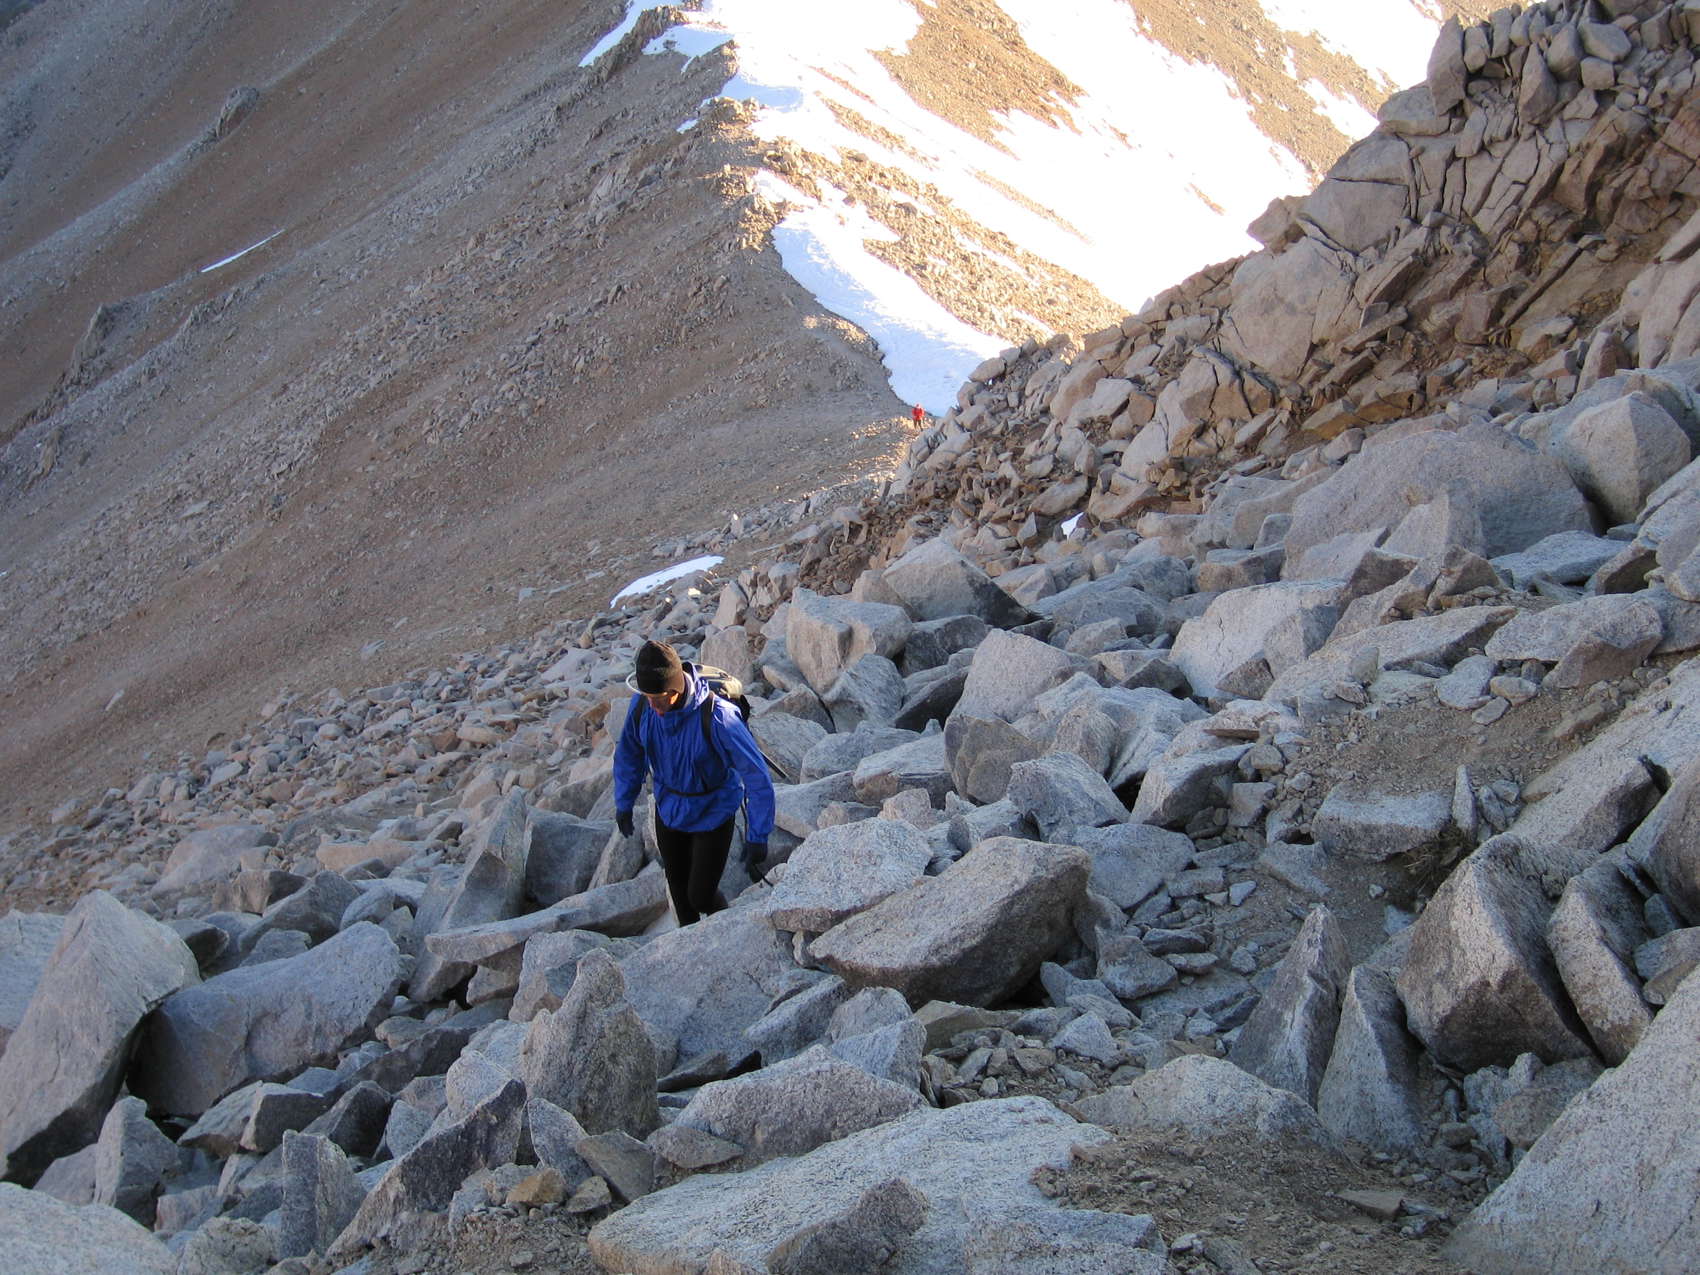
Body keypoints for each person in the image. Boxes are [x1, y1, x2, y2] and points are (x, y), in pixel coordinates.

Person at [613, 640, 776, 926]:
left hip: (713, 812)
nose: (652, 704)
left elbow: (757, 777)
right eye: (647, 696)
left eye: (658, 698)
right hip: (669, 809)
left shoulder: (719, 718)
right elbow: (629, 751)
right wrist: (623, 802)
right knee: (679, 893)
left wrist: (758, 835)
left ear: (675, 690)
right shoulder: (643, 705)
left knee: (700, 896)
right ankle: (690, 944)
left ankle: (725, 929)